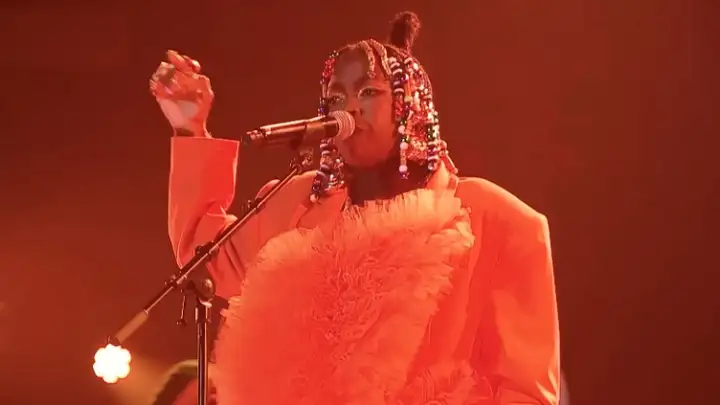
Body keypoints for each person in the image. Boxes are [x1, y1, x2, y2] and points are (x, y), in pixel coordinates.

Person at [151, 11, 560, 405]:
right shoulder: (298, 204)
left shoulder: (497, 220)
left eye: (367, 92)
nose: (347, 109)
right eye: (335, 97)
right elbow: (204, 259)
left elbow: (525, 392)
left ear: (410, 103)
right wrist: (190, 129)